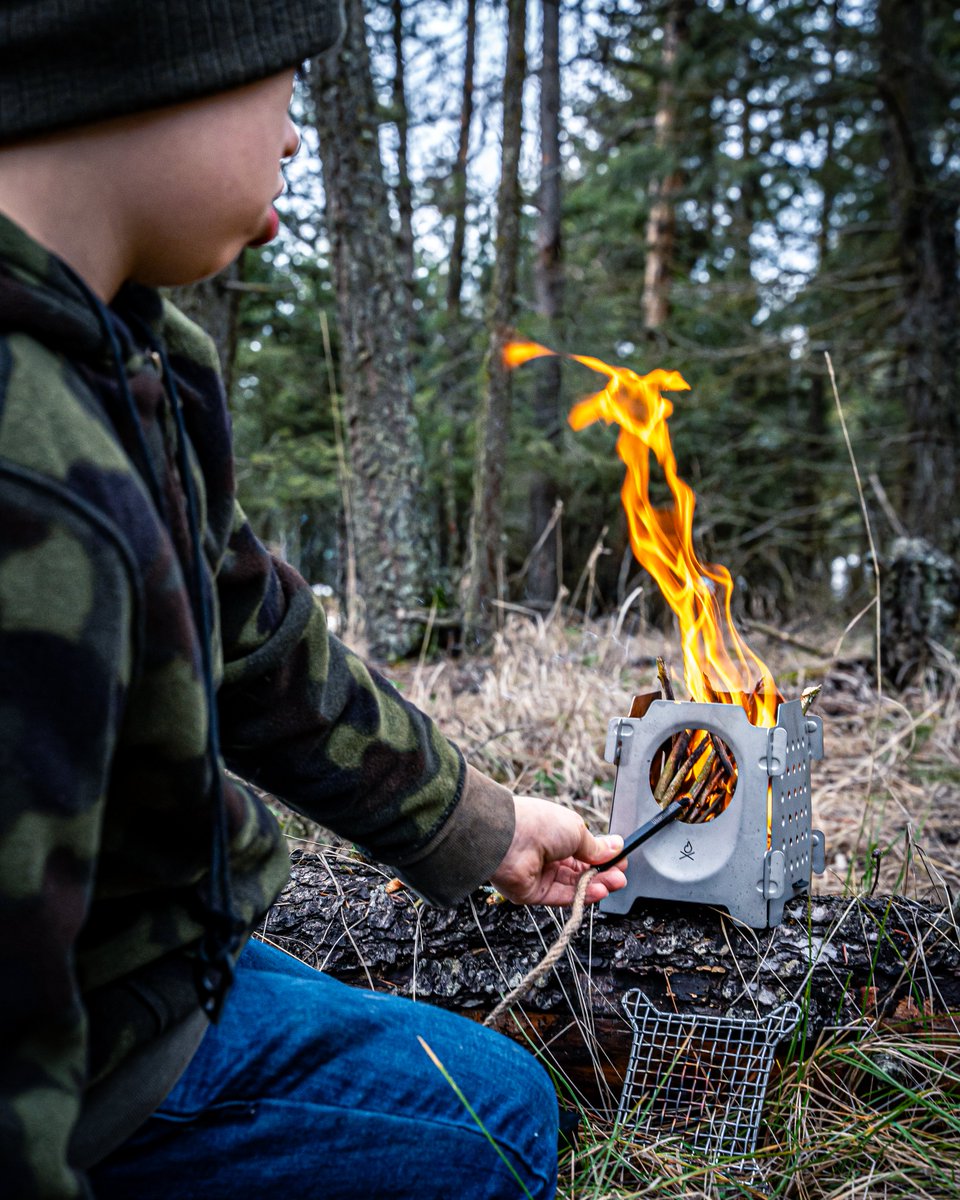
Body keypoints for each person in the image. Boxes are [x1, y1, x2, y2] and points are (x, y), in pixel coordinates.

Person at [0, 3, 627, 1198]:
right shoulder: (28, 467)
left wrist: (486, 829)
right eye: (282, 81)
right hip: (88, 1063)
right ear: (144, 63)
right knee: (494, 1119)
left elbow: (253, 639)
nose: (294, 138)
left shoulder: (134, 356)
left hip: (151, 957)